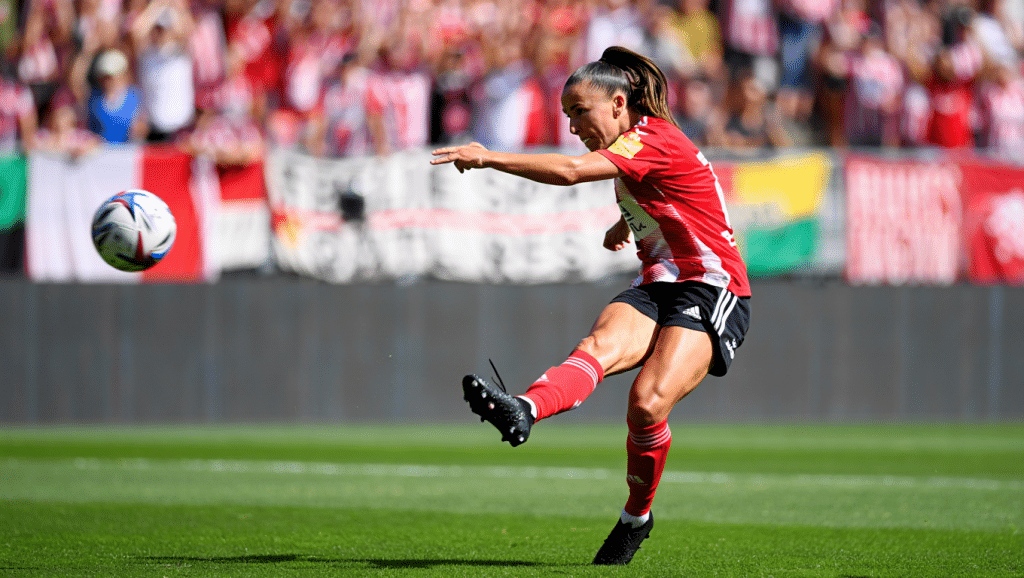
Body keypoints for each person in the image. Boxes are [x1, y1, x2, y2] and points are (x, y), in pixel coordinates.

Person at [430, 46, 751, 566]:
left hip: (711, 286)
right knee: (597, 346)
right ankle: (524, 409)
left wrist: (489, 157)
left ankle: (635, 519)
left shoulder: (651, 137)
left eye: (581, 111)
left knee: (647, 403)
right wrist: (625, 223)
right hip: (660, 282)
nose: (573, 125)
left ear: (619, 104)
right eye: (567, 115)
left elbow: (570, 171)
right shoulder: (634, 149)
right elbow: (664, 191)